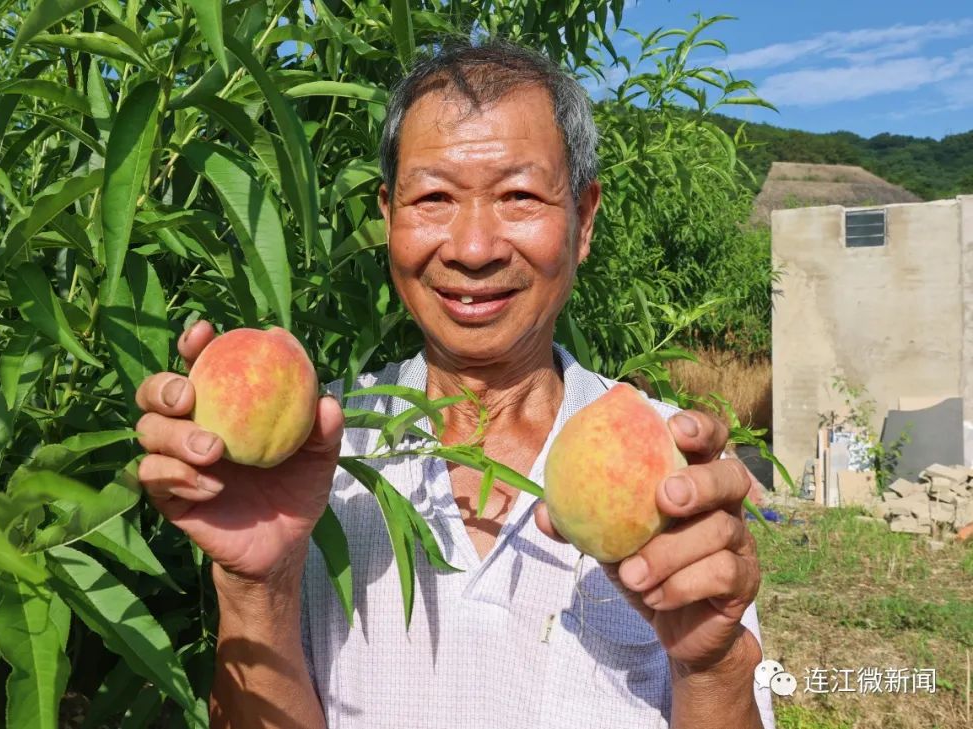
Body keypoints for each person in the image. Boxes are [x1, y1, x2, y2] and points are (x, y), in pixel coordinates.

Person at [134, 39, 775, 729]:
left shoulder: (670, 468)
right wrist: (254, 587)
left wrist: (710, 669)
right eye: (434, 196)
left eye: (519, 195)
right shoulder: (325, 454)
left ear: (583, 220)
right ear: (387, 216)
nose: (473, 249)